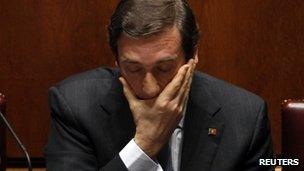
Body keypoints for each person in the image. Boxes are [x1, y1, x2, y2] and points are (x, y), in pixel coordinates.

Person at [44, 0, 274, 170]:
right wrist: (144, 145)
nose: (149, 87)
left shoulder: (246, 117)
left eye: (164, 68)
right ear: (116, 61)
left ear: (192, 57)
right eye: (133, 69)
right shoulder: (75, 105)